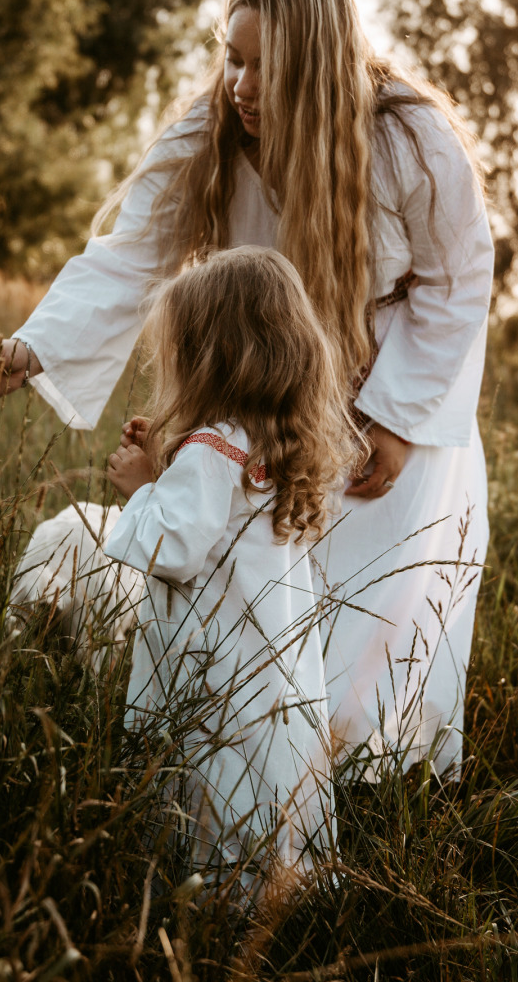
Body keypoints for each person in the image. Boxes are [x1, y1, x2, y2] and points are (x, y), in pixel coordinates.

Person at [0, 0, 494, 780]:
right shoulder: (211, 134)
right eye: (234, 56)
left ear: (318, 66)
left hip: (397, 411)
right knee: (257, 594)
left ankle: (358, 790)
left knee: (375, 622)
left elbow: (457, 281)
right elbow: (130, 254)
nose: (241, 81)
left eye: (267, 64)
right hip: (269, 402)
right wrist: (29, 347)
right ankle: (242, 772)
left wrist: (399, 422)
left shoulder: (408, 138)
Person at [101, 245, 358, 886]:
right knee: (264, 774)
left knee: (210, 777)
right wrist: (168, 472)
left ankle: (213, 896)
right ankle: (281, 877)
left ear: (211, 358)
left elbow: (177, 547)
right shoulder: (270, 448)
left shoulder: (211, 448)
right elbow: (221, 535)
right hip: (267, 668)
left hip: (212, 672)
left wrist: (142, 489)